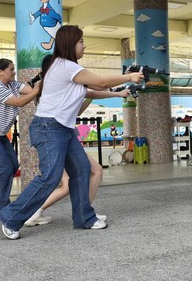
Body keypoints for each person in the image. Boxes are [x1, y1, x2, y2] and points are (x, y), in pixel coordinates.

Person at [0, 25, 144, 239]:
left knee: (82, 169)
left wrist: (119, 94)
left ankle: (84, 218)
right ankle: (10, 217)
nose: (84, 45)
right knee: (50, 176)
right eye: (81, 42)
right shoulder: (65, 66)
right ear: (70, 43)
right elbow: (101, 81)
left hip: (62, 129)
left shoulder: (67, 68)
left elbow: (91, 90)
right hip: (49, 127)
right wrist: (128, 77)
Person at [24, 87, 131, 227]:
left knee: (95, 171)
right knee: (68, 183)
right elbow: (91, 92)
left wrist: (90, 95)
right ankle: (34, 211)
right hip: (57, 141)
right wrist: (113, 92)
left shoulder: (57, 91)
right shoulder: (56, 91)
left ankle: (85, 212)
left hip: (64, 139)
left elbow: (77, 111)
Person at [0, 58, 40, 213]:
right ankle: (2, 206)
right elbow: (19, 102)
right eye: (11, 69)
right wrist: (38, 88)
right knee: (3, 169)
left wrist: (38, 82)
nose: (14, 72)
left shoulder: (11, 84)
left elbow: (29, 91)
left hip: (0, 134)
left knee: (12, 165)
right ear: (0, 71)